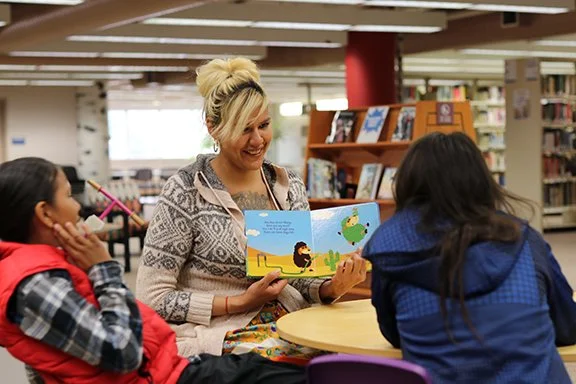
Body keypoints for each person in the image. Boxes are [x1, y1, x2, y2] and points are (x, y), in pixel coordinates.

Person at [136, 57, 367, 361]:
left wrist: (333, 286)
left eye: (264, 125)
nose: (258, 140)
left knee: (352, 360)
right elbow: (151, 298)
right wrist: (240, 301)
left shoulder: (287, 185)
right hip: (224, 335)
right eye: (244, 129)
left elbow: (300, 275)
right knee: (298, 367)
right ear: (213, 128)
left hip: (293, 321)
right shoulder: (184, 191)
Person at [0, 157, 306, 384]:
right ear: (44, 213)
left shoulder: (44, 268)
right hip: (158, 375)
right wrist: (102, 269)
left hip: (165, 365)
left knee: (281, 371)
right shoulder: (35, 284)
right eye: (68, 196)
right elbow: (122, 351)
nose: (79, 207)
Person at [363, 132, 576, 383]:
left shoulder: (388, 251)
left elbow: (394, 334)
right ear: (482, 181)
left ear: (408, 184)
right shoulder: (525, 242)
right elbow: (568, 326)